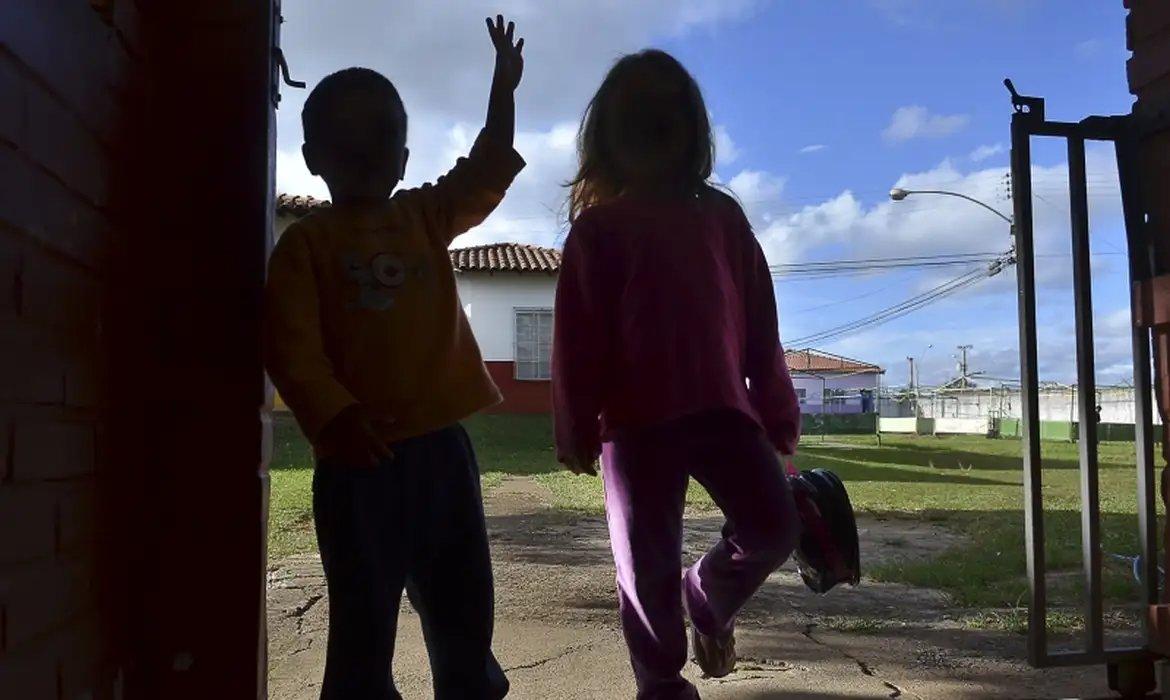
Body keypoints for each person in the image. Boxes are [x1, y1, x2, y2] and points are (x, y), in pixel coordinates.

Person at [263, 16, 525, 700]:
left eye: (379, 135)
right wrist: (335, 417)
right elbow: (290, 346)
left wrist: (503, 89)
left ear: (404, 159)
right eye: (345, 137)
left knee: (464, 617)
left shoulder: (423, 216)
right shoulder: (304, 246)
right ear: (313, 156)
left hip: (442, 456)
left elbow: (487, 169)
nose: (363, 149)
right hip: (357, 466)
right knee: (361, 629)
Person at [552, 49, 804, 698]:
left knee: (775, 527)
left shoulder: (722, 217)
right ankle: (660, 683)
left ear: (693, 130)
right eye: (638, 118)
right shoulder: (598, 231)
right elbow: (577, 339)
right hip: (635, 429)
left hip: (724, 414)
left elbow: (760, 323)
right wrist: (574, 424)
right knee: (644, 572)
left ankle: (707, 594)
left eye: (666, 116)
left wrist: (777, 411)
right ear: (608, 137)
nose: (654, 129)